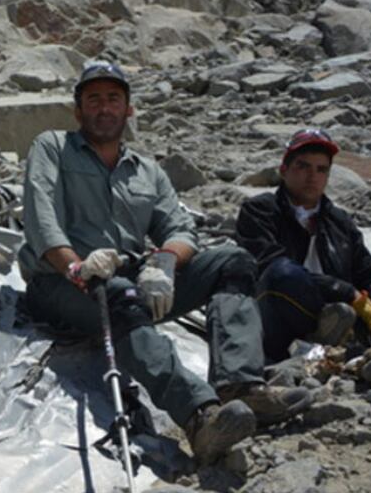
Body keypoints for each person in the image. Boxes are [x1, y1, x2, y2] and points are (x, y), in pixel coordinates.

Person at [18, 61, 312, 463]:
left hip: (127, 278)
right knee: (121, 295)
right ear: (78, 110)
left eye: (113, 99)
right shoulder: (52, 147)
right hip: (60, 283)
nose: (104, 108)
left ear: (129, 109)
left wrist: (165, 262)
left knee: (233, 262)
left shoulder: (147, 172)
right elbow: (41, 220)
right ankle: (199, 417)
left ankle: (240, 387)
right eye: (93, 99)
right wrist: (76, 267)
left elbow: (180, 228)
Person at [236, 128, 371, 362]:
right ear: (284, 170)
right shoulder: (260, 210)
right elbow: (268, 265)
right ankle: (345, 338)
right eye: (303, 166)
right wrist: (349, 294)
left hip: (346, 314)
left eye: (321, 169)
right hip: (287, 311)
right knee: (282, 273)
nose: (312, 176)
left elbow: (366, 272)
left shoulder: (339, 221)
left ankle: (361, 339)